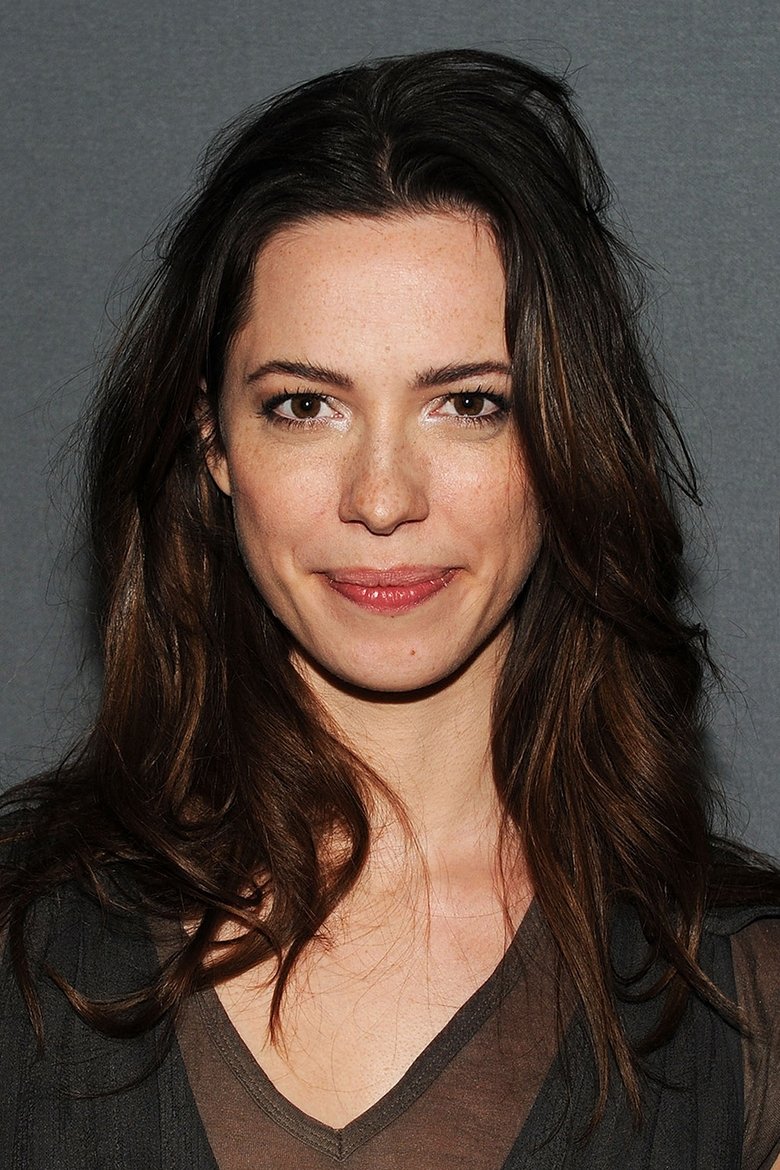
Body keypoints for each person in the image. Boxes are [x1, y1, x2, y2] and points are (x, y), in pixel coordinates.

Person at [0, 48, 778, 1169]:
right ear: (212, 442)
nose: (380, 498)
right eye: (304, 405)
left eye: (468, 404)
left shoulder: (742, 998)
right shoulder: (24, 933)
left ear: (566, 436)